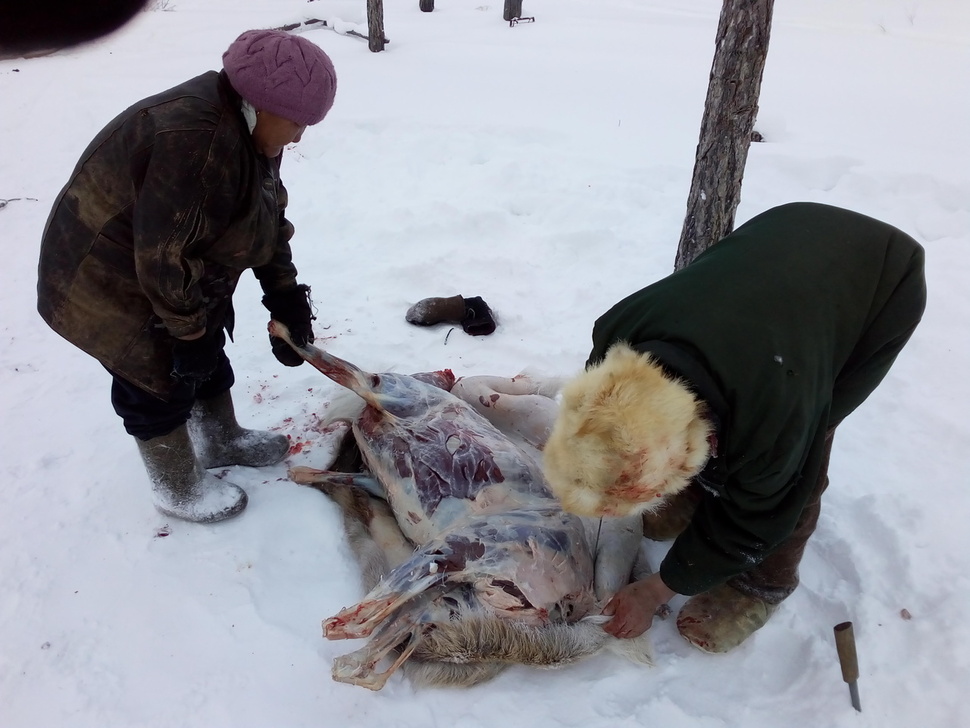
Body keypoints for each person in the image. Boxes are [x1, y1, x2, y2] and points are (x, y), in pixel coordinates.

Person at [542, 202, 926, 653]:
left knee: (798, 463)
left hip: (880, 280)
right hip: (783, 239)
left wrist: (655, 590)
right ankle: (693, 496)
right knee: (734, 452)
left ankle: (762, 586)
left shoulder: (773, 419)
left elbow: (759, 515)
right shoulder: (614, 338)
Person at [37, 29, 338, 523]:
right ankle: (175, 484)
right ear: (260, 105)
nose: (300, 136)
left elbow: (262, 215)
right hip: (108, 274)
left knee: (203, 342)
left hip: (166, 263)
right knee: (155, 373)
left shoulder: (251, 127)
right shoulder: (194, 141)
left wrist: (284, 292)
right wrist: (188, 333)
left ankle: (220, 439)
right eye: (297, 123)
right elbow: (162, 256)